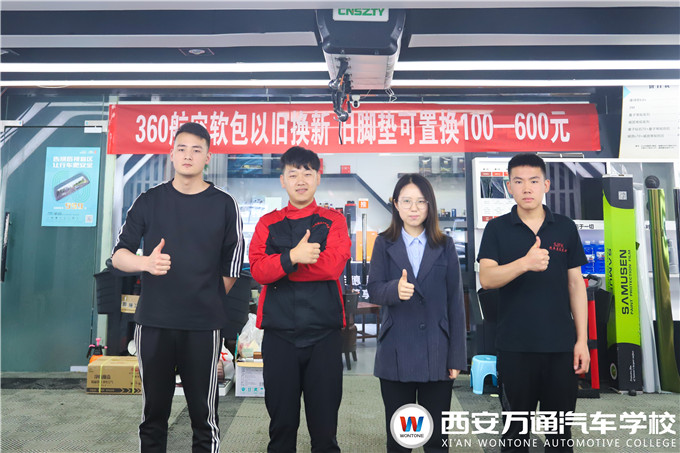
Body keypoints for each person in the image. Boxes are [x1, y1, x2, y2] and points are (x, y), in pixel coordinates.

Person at [112, 122, 244, 453]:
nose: (188, 155)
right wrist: (145, 263)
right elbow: (119, 256)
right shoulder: (149, 200)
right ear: (171, 154)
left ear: (207, 157)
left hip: (203, 326)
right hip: (154, 323)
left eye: (196, 150)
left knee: (204, 415)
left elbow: (231, 268)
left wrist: (205, 298)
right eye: (181, 149)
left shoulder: (224, 204)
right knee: (153, 414)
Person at [477, 153, 589, 453]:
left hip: (560, 347)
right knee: (515, 433)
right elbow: (487, 278)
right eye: (518, 181)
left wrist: (581, 341)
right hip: (515, 347)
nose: (527, 188)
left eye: (534, 181)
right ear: (509, 186)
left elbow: (576, 284)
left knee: (560, 434)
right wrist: (524, 264)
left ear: (546, 185)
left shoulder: (565, 227)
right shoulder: (497, 228)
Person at [249, 146, 351, 453]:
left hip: (324, 336)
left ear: (318, 178)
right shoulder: (267, 223)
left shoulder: (333, 220)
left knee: (325, 428)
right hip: (279, 336)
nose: (301, 180)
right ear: (283, 181)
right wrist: (293, 256)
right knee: (281, 426)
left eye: (308, 173)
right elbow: (258, 271)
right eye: (293, 174)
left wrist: (281, 268)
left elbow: (332, 267)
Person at [367, 173, 467, 453]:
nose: (414, 208)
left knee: (436, 440)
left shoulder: (444, 245)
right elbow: (373, 290)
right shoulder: (383, 243)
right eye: (407, 201)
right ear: (396, 205)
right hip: (396, 353)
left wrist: (457, 357)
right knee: (400, 440)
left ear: (429, 205)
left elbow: (455, 303)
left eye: (421, 201)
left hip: (438, 352)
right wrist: (394, 290)